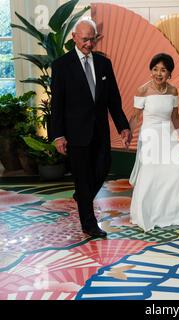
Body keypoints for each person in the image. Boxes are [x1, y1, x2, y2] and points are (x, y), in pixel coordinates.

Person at [50, 17, 132, 238]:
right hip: (76, 134)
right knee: (82, 178)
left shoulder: (104, 64)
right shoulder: (61, 66)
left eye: (92, 39)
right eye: (84, 39)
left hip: (100, 132)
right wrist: (58, 136)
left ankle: (82, 196)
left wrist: (123, 127)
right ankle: (89, 223)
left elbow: (113, 100)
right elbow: (56, 104)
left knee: (104, 166)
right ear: (74, 37)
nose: (88, 44)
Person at [128, 53, 179, 232]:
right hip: (150, 136)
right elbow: (135, 116)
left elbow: (175, 116)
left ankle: (178, 212)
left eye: (163, 70)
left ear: (169, 73)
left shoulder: (173, 90)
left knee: (178, 171)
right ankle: (149, 212)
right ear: (151, 71)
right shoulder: (142, 90)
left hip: (169, 135)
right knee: (151, 175)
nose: (158, 73)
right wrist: (128, 133)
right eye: (155, 69)